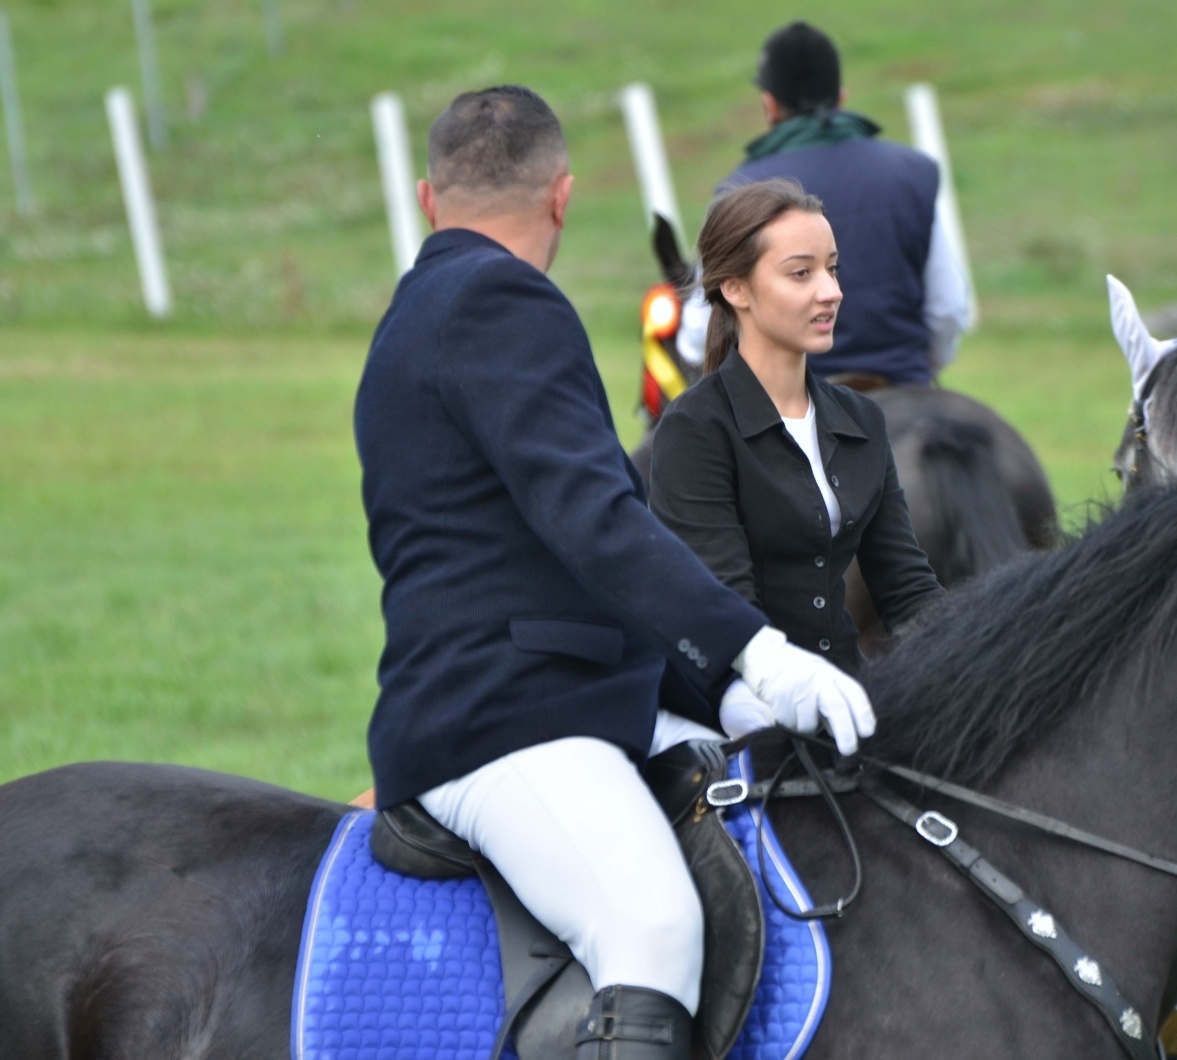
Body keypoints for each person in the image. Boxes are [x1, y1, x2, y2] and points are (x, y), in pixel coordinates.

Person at [352, 86, 876, 1060]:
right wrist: (760, 653)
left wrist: (717, 694)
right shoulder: (499, 301)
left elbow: (563, 557)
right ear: (562, 196)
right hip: (502, 721)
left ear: (429, 197)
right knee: (651, 926)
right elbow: (599, 526)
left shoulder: (418, 311)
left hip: (556, 691)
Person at [649, 179, 944, 676]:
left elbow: (906, 587)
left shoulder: (862, 418)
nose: (830, 292)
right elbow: (725, 604)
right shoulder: (694, 429)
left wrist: (989, 651)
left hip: (852, 689)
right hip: (744, 706)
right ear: (736, 288)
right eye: (801, 273)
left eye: (831, 269)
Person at [675, 21, 969, 387]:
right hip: (905, 384)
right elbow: (948, 308)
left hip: (791, 400)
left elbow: (701, 330)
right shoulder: (912, 174)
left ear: (769, 105)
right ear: (841, 97)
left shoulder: (739, 192)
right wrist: (922, 375)